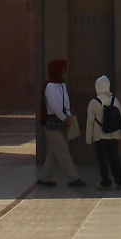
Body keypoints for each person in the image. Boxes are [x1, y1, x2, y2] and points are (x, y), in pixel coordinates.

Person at [37, 59, 86, 188]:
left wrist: (68, 114)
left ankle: (44, 178)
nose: (64, 71)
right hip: (53, 123)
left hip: (62, 121)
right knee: (63, 150)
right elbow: (54, 106)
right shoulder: (50, 86)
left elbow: (66, 102)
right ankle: (73, 178)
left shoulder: (62, 85)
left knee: (54, 151)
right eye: (62, 68)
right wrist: (65, 117)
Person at [86, 75, 121, 190]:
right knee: (115, 158)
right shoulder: (115, 101)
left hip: (99, 136)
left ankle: (106, 182)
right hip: (113, 135)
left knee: (102, 159)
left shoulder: (94, 103)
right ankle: (120, 180)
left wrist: (89, 139)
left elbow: (90, 123)